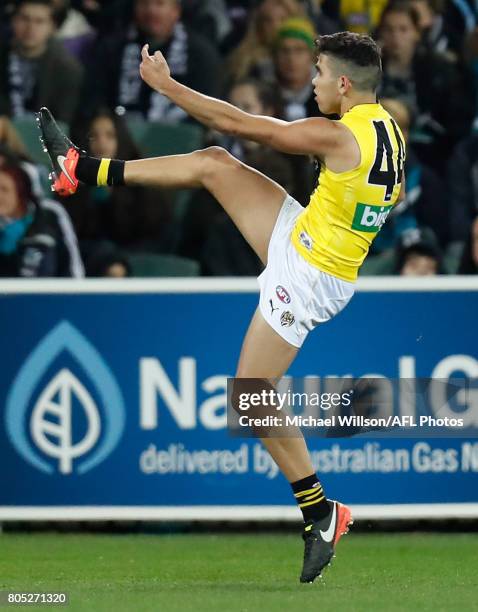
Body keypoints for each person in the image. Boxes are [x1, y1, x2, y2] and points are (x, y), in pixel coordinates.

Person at [38, 31, 405, 583]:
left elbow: (240, 124)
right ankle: (80, 167)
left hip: (308, 275)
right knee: (213, 164)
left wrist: (166, 86)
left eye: (320, 74)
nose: (313, 83)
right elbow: (375, 198)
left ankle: (321, 512)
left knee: (251, 401)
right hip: (307, 237)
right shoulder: (388, 130)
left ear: (345, 84)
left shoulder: (339, 136)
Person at [80, 0, 221, 122]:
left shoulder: (201, 56)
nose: (151, 11)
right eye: (144, 3)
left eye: (159, 3)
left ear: (176, 11)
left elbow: (207, 112)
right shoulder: (111, 50)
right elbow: (93, 103)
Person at [377, 1, 474, 172]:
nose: (396, 37)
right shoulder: (367, 72)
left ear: (416, 33)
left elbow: (455, 126)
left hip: (429, 158)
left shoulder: (439, 72)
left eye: (403, 29)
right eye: (389, 29)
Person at [0, 0, 83, 123]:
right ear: (13, 21)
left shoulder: (67, 69)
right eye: (24, 19)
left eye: (39, 21)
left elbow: (64, 122)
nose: (30, 28)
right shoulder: (3, 57)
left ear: (52, 27)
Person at [0, 160, 84, 277]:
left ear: (20, 192)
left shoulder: (49, 216)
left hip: (49, 293)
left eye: (5, 190)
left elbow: (71, 264)